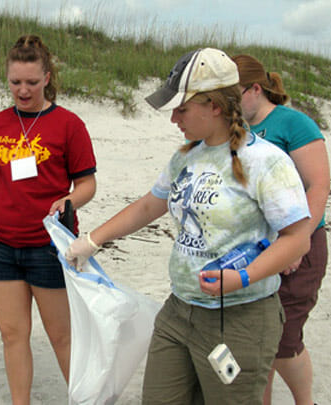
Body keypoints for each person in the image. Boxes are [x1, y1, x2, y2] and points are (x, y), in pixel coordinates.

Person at [65, 48, 313, 404]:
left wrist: (242, 277)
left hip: (240, 317)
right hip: (179, 311)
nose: (173, 120)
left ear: (214, 106)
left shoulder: (266, 162)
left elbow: (297, 239)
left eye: (181, 109)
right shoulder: (186, 154)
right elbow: (151, 205)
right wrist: (91, 240)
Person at [0, 35, 97, 405]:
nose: (22, 91)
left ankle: (84, 400)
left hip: (49, 246)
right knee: (13, 335)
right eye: (15, 82)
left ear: (47, 77)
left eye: (31, 82)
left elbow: (88, 183)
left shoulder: (68, 125)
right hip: (0, 246)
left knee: (62, 337)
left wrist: (69, 199)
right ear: (6, 78)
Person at [232, 54, 330, 405]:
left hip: (298, 246)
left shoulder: (294, 124)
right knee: (261, 339)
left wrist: (299, 242)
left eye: (234, 94)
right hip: (255, 248)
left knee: (284, 341)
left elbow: (317, 186)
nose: (228, 103)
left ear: (255, 89)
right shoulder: (236, 130)